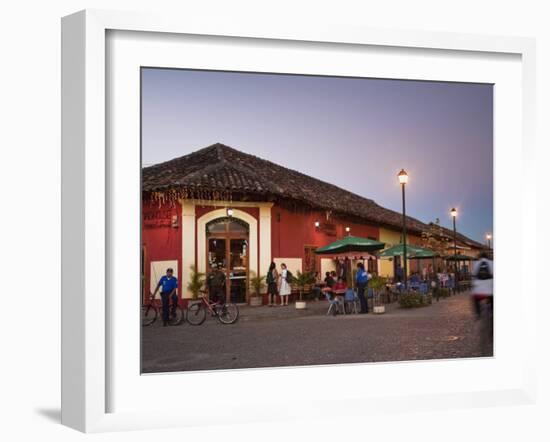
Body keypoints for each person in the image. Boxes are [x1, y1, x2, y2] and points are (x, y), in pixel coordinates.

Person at [471, 251, 493, 319]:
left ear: (480, 257)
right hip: (490, 290)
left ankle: (478, 313)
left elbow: (473, 275)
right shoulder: (492, 263)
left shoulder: (476, 263)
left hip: (478, 291)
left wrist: (473, 284)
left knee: (474, 298)